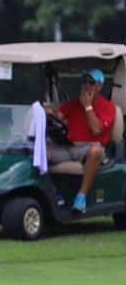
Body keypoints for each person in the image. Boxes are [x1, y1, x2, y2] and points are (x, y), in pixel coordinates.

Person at [44, 68, 116, 212]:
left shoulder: (108, 107)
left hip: (92, 147)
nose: (86, 85)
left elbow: (96, 130)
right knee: (40, 151)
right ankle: (54, 193)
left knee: (95, 151)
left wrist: (88, 107)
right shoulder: (72, 104)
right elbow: (58, 116)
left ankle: (81, 197)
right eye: (84, 82)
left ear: (99, 86)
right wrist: (50, 112)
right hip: (69, 146)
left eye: (91, 82)